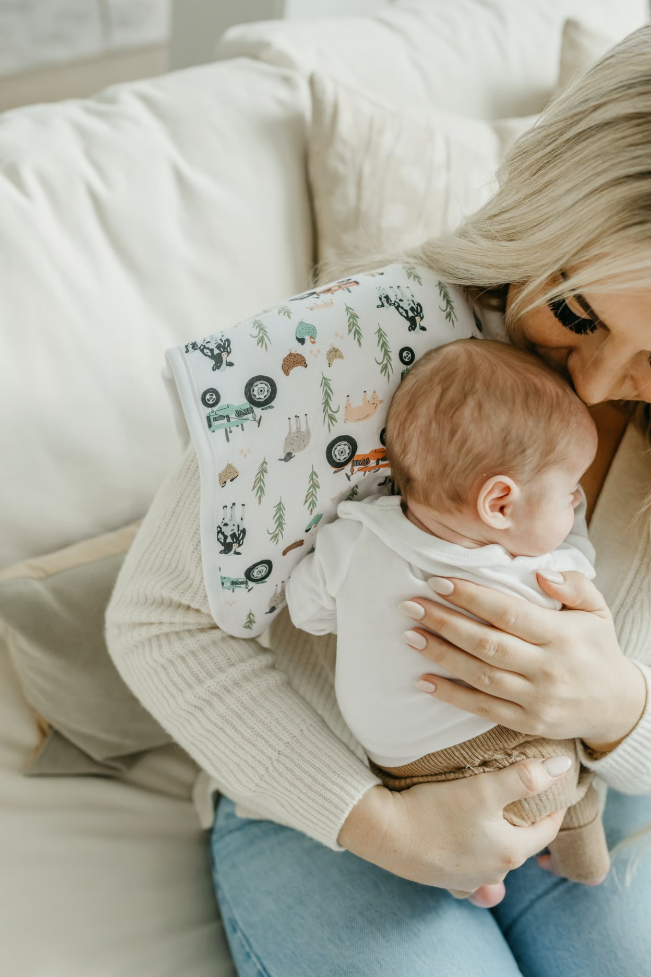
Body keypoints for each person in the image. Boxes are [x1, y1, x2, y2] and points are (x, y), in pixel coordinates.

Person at [105, 25, 651, 977]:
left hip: (585, 795)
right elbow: (159, 618)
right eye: (575, 314)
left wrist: (619, 712)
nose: (599, 385)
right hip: (330, 794)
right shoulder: (359, 354)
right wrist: (383, 825)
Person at [285, 338, 611, 891]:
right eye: (569, 494)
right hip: (505, 750)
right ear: (499, 504)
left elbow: (307, 612)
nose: (576, 506)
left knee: (471, 839)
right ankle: (584, 859)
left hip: (394, 766)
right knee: (569, 769)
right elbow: (582, 619)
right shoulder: (535, 575)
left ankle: (475, 882)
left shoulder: (354, 536)